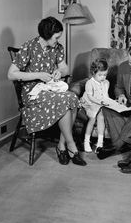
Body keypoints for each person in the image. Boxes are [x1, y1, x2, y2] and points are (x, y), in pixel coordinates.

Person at [7, 16, 86, 166]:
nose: (58, 40)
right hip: (33, 92)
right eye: (56, 37)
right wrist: (38, 75)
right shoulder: (28, 47)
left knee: (72, 98)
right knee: (65, 100)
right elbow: (11, 74)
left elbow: (65, 68)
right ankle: (71, 146)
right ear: (46, 35)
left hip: (51, 88)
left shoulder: (57, 48)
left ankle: (62, 145)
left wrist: (59, 71)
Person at [80, 59, 109, 153]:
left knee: (101, 116)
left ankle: (100, 142)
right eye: (100, 75)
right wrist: (100, 102)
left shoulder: (106, 83)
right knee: (92, 118)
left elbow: (106, 96)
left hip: (99, 104)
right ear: (93, 73)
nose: (103, 77)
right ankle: (86, 141)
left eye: (105, 74)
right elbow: (90, 97)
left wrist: (111, 102)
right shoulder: (90, 83)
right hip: (89, 103)